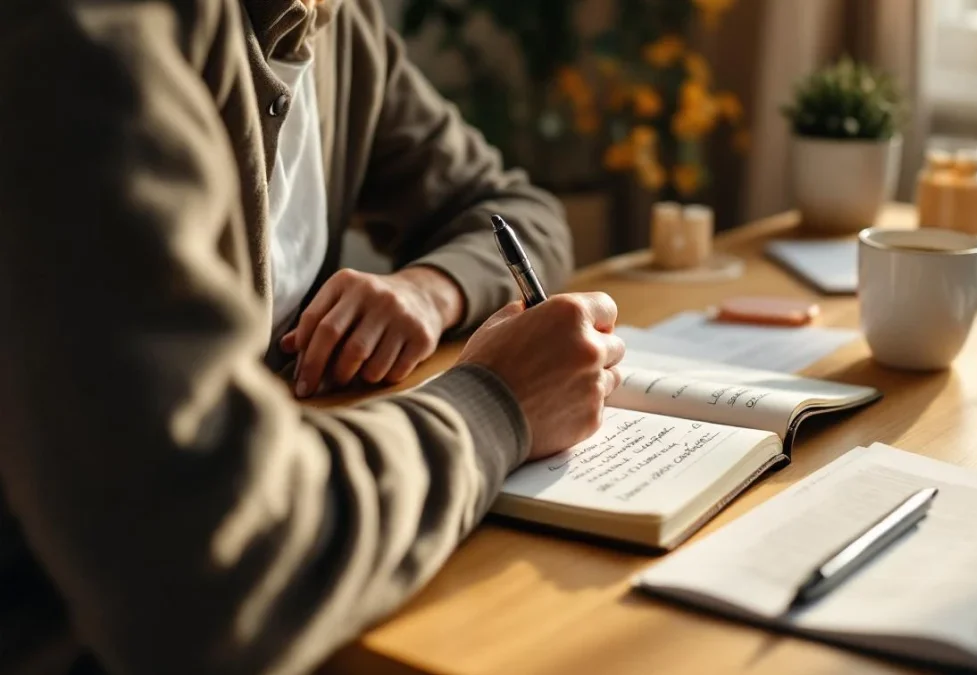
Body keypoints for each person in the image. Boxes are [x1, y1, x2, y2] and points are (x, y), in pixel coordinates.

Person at [0, 1, 624, 673]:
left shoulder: (335, 24)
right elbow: (206, 569)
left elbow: (517, 208)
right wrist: (497, 402)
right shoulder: (87, 38)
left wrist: (429, 287)